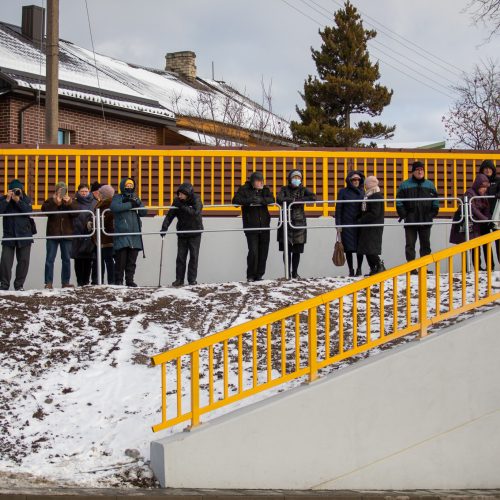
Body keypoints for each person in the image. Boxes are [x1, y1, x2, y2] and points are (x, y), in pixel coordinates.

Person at [232, 172, 275, 282]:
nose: (261, 183)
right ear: (253, 181)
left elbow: (272, 199)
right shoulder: (244, 189)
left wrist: (262, 200)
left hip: (264, 225)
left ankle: (259, 275)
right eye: (258, 181)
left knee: (263, 251)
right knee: (253, 251)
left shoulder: (265, 189)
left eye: (262, 180)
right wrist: (250, 200)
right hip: (251, 225)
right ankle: (250, 275)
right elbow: (235, 201)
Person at [396, 161, 439, 263]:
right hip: (411, 219)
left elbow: (436, 202)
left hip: (425, 219)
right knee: (410, 245)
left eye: (422, 169)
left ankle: (424, 267)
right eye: (417, 169)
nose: (420, 171)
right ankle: (411, 267)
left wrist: (431, 215)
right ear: (413, 171)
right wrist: (404, 215)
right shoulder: (404, 185)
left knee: (425, 244)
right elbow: (398, 202)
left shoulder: (430, 185)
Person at [161, 182, 203, 286]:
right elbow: (170, 215)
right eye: (178, 194)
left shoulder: (196, 199)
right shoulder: (177, 201)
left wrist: (182, 206)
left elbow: (195, 212)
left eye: (181, 194)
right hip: (182, 233)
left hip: (195, 232)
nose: (179, 196)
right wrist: (164, 227)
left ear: (187, 194)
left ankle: (192, 280)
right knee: (180, 257)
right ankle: (179, 279)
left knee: (194, 257)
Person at [277, 170, 316, 279]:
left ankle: (295, 272)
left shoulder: (303, 189)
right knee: (287, 249)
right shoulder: (284, 189)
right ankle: (287, 273)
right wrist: (293, 200)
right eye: (294, 177)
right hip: (286, 222)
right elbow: (279, 199)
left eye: (299, 177)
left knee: (297, 250)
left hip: (299, 222)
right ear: (290, 178)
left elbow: (313, 197)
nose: (297, 179)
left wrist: (300, 200)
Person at [450, 173, 492, 269]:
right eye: (483, 187)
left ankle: (477, 267)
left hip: (475, 224)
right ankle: (466, 267)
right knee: (467, 246)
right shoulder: (469, 193)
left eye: (486, 187)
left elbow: (487, 208)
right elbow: (472, 209)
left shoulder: (483, 195)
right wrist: (485, 219)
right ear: (478, 185)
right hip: (465, 224)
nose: (484, 189)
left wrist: (488, 218)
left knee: (476, 246)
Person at [110, 178, 147, 287]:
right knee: (120, 260)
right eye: (127, 185)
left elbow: (144, 212)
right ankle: (119, 280)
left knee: (132, 261)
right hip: (122, 233)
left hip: (135, 234)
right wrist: (130, 205)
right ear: (122, 186)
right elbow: (114, 207)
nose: (129, 187)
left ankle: (130, 280)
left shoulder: (136, 197)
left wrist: (138, 203)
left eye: (131, 185)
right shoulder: (117, 197)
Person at [0, 179, 34, 291]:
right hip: (9, 235)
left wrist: (18, 201)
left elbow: (29, 211)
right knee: (5, 262)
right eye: (13, 190)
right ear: (9, 190)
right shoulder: (4, 199)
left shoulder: (26, 199)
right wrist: (8, 199)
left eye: (18, 190)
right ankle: (4, 285)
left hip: (25, 235)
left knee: (23, 261)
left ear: (21, 189)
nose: (16, 192)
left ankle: (19, 285)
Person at [41, 182, 74, 289]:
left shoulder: (70, 200)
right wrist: (56, 202)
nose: (61, 192)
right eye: (60, 190)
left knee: (66, 259)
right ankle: (48, 282)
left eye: (64, 190)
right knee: (50, 259)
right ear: (56, 190)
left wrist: (69, 202)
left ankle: (65, 282)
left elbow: (76, 213)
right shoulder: (50, 201)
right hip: (53, 234)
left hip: (67, 234)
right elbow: (45, 211)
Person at [335, 171, 365, 276]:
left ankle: (359, 269)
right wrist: (338, 225)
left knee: (360, 248)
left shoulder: (363, 191)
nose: (356, 181)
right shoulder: (343, 192)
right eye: (353, 180)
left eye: (358, 179)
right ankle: (351, 270)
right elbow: (338, 209)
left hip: (359, 224)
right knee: (348, 248)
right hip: (346, 223)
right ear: (349, 181)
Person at [357, 176, 386, 276]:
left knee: (371, 248)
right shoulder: (369, 195)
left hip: (373, 226)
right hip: (368, 226)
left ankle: (379, 266)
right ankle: (373, 267)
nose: (364, 185)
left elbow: (375, 213)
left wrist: (361, 220)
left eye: (366, 183)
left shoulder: (376, 196)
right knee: (366, 248)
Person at [70, 183, 97, 286]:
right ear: (78, 192)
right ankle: (79, 282)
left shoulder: (94, 202)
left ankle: (86, 282)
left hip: (89, 234)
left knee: (88, 259)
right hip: (77, 234)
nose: (84, 193)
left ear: (89, 191)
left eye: (86, 191)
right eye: (82, 192)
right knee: (78, 260)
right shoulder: (74, 202)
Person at [91, 184, 115, 284]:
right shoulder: (101, 204)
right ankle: (100, 281)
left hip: (106, 238)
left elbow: (107, 220)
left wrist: (94, 224)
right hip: (100, 237)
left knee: (108, 260)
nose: (99, 194)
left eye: (100, 193)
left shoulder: (108, 205)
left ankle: (110, 282)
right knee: (100, 261)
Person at [478, 159, 500, 266]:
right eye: (485, 168)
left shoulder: (498, 180)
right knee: (486, 242)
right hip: (484, 215)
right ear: (482, 170)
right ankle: (490, 265)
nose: (487, 170)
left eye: (489, 168)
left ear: (493, 169)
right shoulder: (479, 181)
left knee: (498, 242)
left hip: (496, 215)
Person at [89, 181, 103, 284]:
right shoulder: (92, 202)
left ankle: (99, 280)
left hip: (102, 233)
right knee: (95, 259)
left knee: (101, 259)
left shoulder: (103, 200)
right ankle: (95, 280)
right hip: (93, 234)